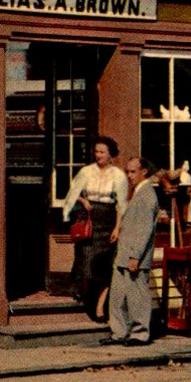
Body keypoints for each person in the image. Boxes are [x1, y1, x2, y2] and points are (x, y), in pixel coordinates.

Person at [62, 136, 128, 322]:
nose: (98, 155)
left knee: (104, 268)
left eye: (102, 152)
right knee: (86, 265)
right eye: (96, 151)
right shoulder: (86, 171)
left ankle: (99, 307)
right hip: (89, 221)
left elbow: (121, 205)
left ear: (110, 154)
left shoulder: (118, 175)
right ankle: (86, 298)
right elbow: (72, 193)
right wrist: (83, 201)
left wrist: (117, 228)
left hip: (108, 222)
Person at [106, 157, 159, 346]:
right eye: (127, 172)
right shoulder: (136, 193)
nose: (129, 176)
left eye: (132, 172)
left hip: (134, 256)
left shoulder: (146, 195)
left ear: (143, 171)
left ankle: (140, 333)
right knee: (117, 296)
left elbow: (144, 230)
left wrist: (135, 256)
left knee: (137, 296)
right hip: (123, 254)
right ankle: (119, 332)